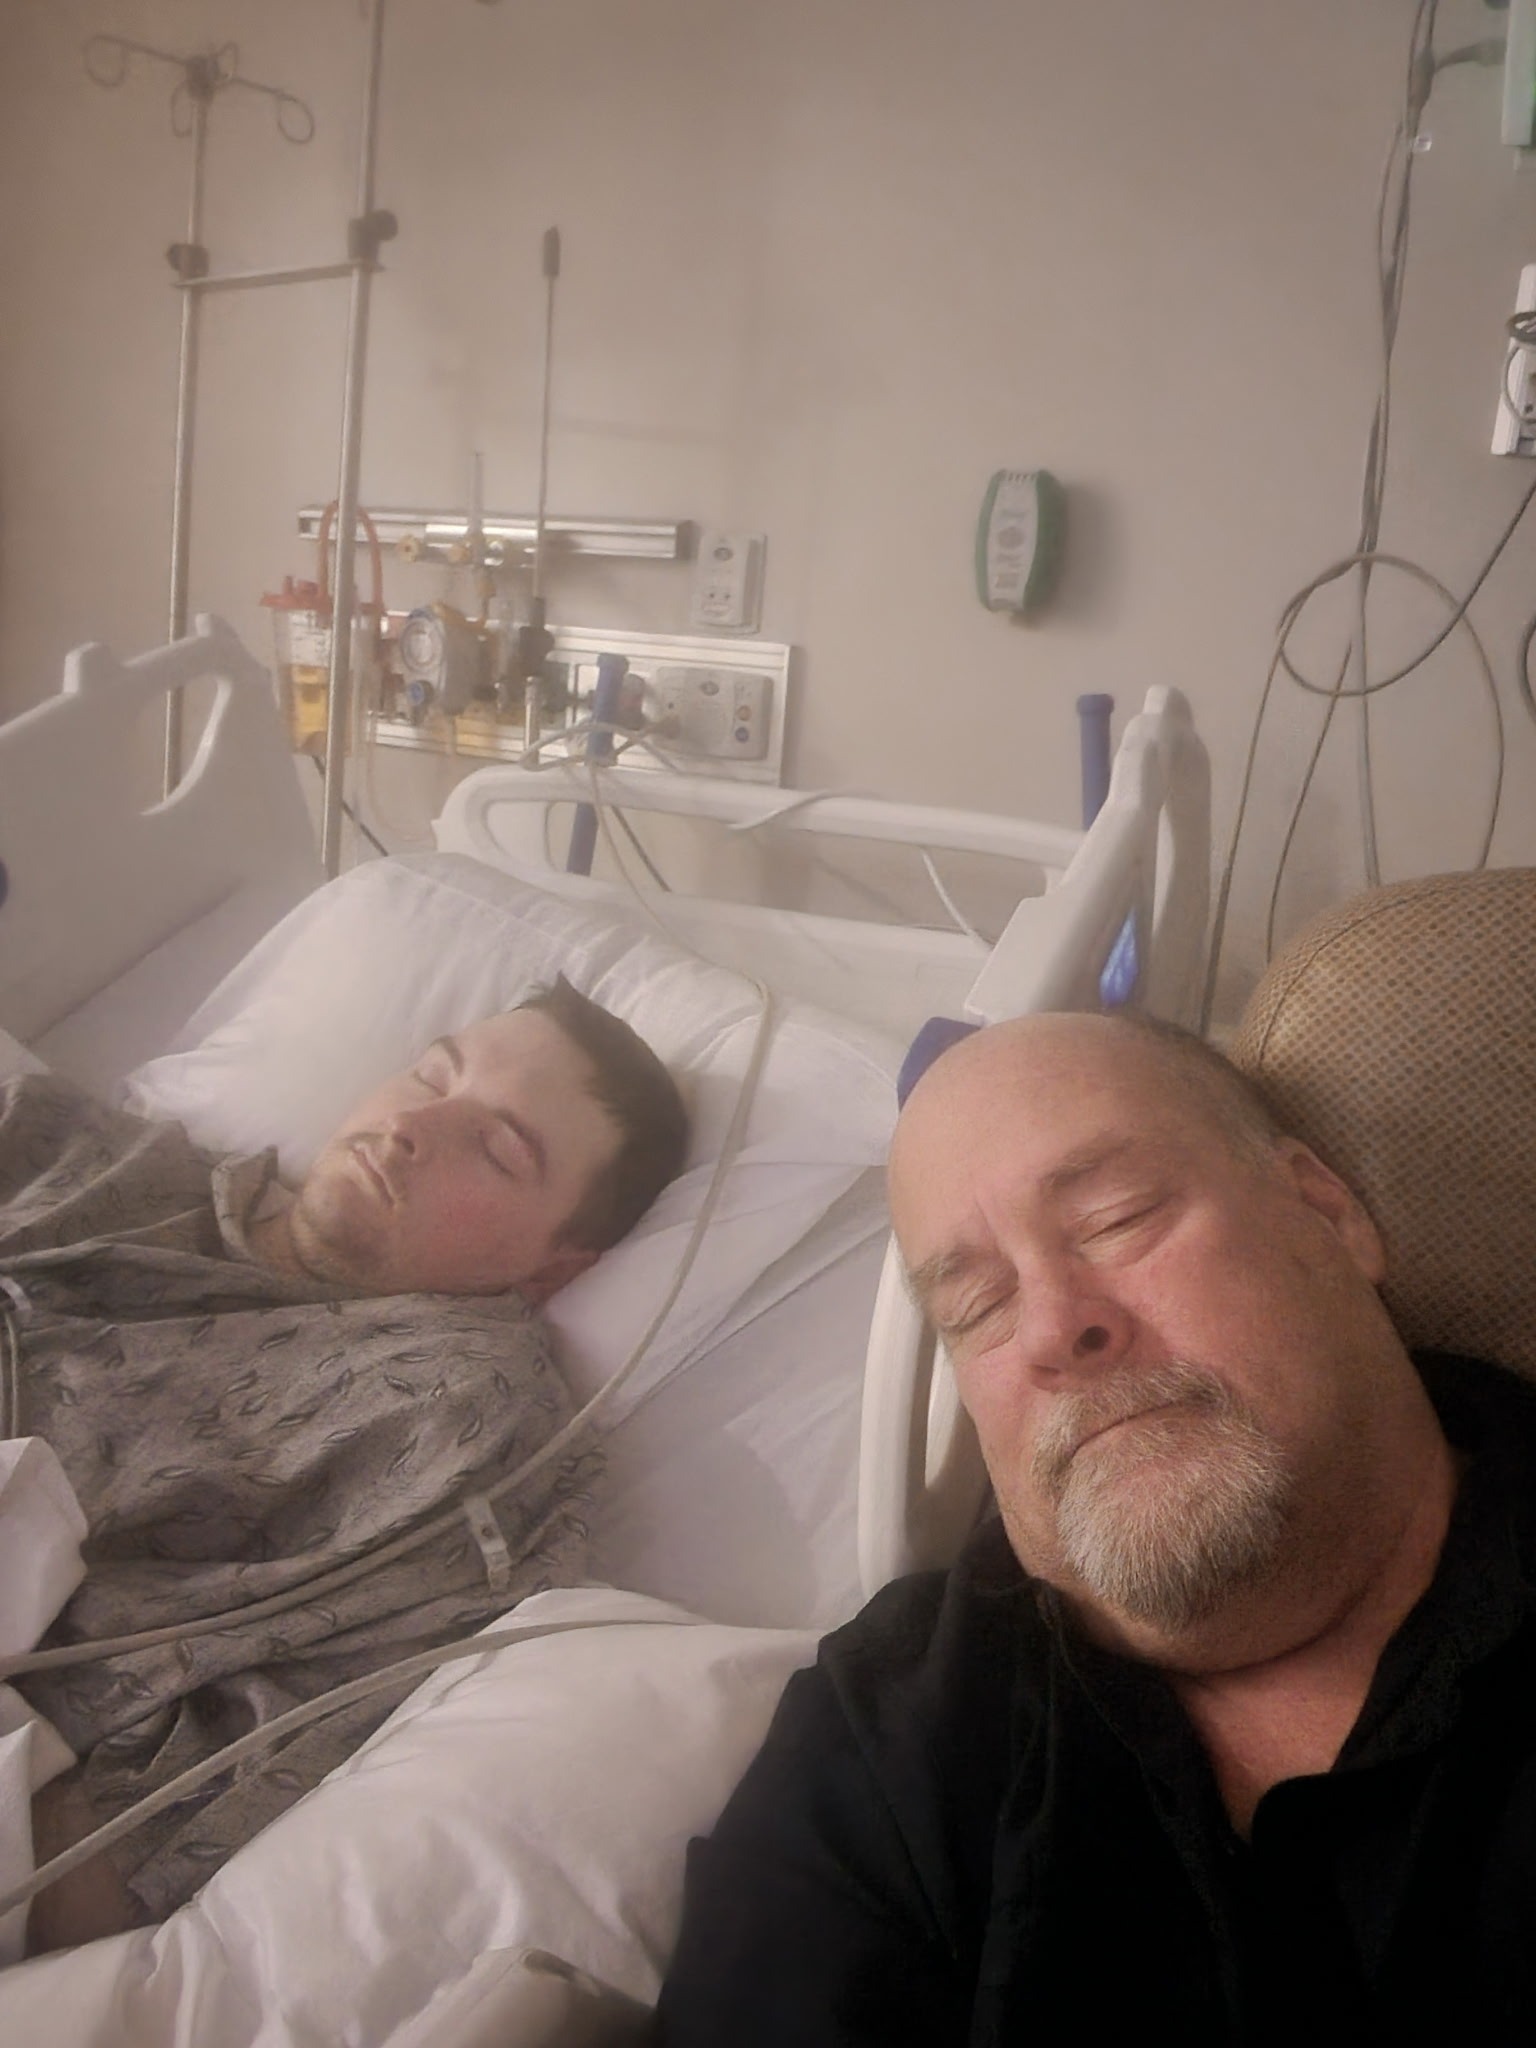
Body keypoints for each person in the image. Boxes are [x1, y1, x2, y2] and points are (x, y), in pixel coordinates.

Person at [655, 1008, 1536, 2043]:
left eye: (1117, 1219)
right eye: (977, 1307)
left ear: (1326, 1210)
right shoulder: (882, 1751)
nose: (1050, 1327)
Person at [2, 976, 687, 1946]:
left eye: (496, 1148)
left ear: (554, 1267)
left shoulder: (453, 1420)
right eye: (432, 1075)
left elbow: (135, 1846)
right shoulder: (87, 1153)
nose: (412, 1126)